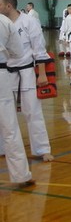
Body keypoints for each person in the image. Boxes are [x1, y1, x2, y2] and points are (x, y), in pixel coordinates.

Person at [0, 0, 54, 162]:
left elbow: (39, 49)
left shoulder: (29, 22)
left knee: (33, 112)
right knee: (4, 114)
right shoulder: (1, 23)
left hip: (27, 72)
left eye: (0, 5)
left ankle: (42, 149)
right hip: (6, 73)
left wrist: (42, 74)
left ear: (9, 6)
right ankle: (3, 148)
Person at [0, 11, 34, 187]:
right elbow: (18, 52)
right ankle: (21, 175)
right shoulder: (4, 21)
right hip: (1, 76)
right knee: (10, 127)